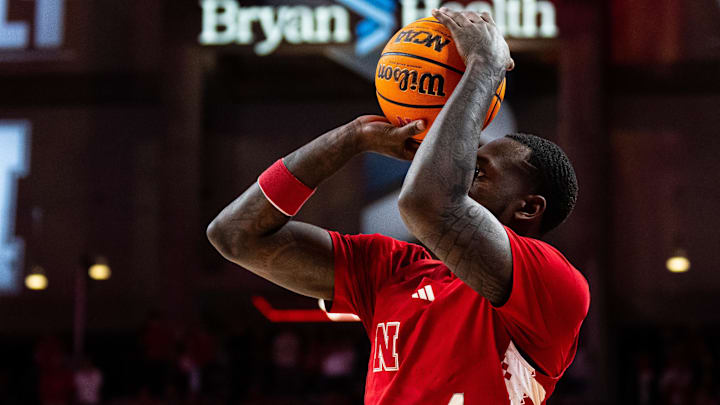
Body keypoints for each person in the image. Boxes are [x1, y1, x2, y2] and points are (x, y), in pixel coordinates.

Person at [207, 8, 589, 405]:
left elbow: (430, 204)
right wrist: (350, 138)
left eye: (478, 172)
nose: (460, 172)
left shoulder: (553, 285)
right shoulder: (392, 271)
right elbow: (235, 235)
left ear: (527, 208)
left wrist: (485, 66)